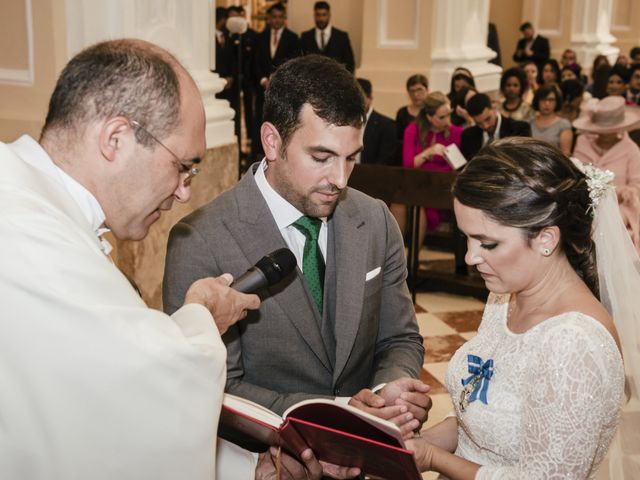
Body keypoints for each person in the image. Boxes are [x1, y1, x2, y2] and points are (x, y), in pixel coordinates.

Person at [0, 38, 361, 480]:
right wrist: (202, 318)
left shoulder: (33, 205)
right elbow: (145, 388)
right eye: (182, 166)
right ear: (115, 138)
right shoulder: (25, 229)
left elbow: (86, 419)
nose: (184, 190)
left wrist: (249, 468)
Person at [163, 54, 430, 436]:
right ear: (273, 141)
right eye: (321, 157)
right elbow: (216, 386)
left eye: (350, 158)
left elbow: (399, 337)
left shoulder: (374, 219)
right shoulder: (200, 240)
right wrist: (339, 415)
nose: (339, 179)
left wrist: (391, 389)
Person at [406, 137, 625, 479]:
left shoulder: (573, 343)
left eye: (488, 243)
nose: (470, 257)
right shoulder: (504, 296)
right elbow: (485, 421)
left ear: (546, 239)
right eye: (467, 237)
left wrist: (434, 459)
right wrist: (420, 443)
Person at [573, 95, 640, 253]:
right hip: (583, 203)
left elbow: (637, 185)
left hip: (620, 208)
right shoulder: (583, 142)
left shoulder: (631, 149)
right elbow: (576, 174)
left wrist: (621, 193)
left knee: (608, 226)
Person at [402, 91, 463, 241]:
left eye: (449, 114)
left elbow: (461, 167)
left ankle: (411, 258)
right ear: (429, 117)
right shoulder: (412, 130)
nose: (448, 121)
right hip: (418, 185)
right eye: (442, 117)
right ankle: (402, 258)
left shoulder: (457, 132)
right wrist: (427, 153)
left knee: (419, 204)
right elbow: (408, 164)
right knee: (400, 202)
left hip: (443, 188)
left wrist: (450, 158)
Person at [253, 2, 301, 159]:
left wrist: (278, 80)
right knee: (260, 123)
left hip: (283, 93)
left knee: (279, 125)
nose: (277, 20)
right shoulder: (259, 38)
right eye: (273, 17)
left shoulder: (293, 38)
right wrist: (263, 80)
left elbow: (294, 64)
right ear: (269, 18)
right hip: (262, 91)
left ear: (284, 18)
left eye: (280, 17)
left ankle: (278, 155)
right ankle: (260, 155)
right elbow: (255, 62)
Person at [460, 93, 531, 160]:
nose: (485, 126)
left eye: (488, 119)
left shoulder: (519, 129)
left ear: (494, 108)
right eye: (479, 123)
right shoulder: (468, 136)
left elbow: (523, 161)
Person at [300, 1, 355, 73]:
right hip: (311, 82)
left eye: (324, 15)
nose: (321, 19)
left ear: (329, 15)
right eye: (318, 15)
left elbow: (350, 64)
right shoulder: (305, 37)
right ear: (314, 15)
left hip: (337, 82)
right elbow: (301, 64)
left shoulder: (342, 37)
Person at [357, 78, 398, 166]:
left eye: (359, 97)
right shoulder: (343, 122)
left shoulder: (386, 125)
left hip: (371, 175)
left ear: (370, 98)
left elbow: (385, 160)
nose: (355, 101)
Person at [529, 85, 573, 155]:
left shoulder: (563, 124)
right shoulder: (529, 123)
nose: (547, 103)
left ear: (557, 102)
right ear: (537, 101)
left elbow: (566, 154)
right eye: (543, 99)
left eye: (551, 100)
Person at [395, 74, 429, 142]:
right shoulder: (402, 113)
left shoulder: (432, 110)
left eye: (419, 90)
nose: (415, 94)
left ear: (427, 90)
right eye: (412, 91)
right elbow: (398, 138)